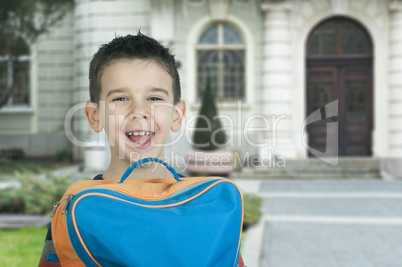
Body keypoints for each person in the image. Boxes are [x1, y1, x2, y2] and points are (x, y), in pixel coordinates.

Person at [38, 32, 245, 267]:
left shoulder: (207, 207)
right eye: (120, 98)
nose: (139, 110)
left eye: (155, 98)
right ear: (94, 116)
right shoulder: (76, 213)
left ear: (176, 116)